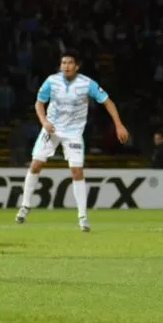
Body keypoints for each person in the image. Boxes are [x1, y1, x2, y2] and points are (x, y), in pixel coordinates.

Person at [15, 52, 129, 231]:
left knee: (76, 171)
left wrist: (119, 125)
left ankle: (82, 216)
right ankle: (25, 206)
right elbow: (39, 103)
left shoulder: (87, 83)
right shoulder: (52, 81)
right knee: (36, 164)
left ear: (77, 66)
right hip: (51, 129)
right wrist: (44, 122)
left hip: (73, 133)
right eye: (63, 63)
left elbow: (108, 102)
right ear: (60, 66)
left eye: (70, 63)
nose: (66, 66)